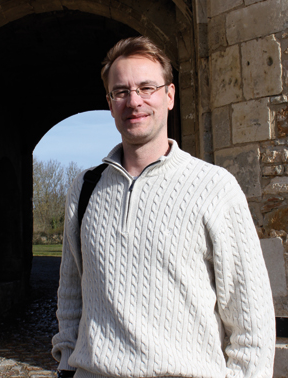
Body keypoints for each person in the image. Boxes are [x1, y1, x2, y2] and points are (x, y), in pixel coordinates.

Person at [52, 36, 275, 378]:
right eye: (121, 91)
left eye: (146, 88)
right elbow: (71, 295)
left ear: (169, 96)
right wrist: (67, 363)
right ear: (110, 102)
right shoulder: (84, 188)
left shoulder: (215, 187)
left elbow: (251, 320)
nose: (134, 101)